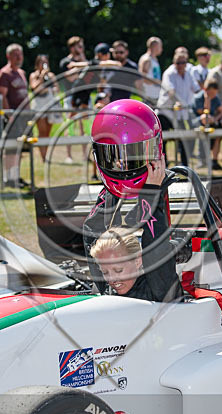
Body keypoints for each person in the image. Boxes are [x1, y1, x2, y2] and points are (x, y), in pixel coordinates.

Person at [84, 99, 182, 302]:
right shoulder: (105, 289)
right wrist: (111, 186)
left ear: (139, 261)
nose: (112, 279)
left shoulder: (159, 291)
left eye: (119, 269)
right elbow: (90, 233)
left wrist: (153, 192)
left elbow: (155, 250)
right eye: (106, 272)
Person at [156, 47, 199, 166]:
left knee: (183, 139)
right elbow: (171, 91)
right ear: (174, 63)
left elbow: (196, 89)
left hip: (180, 114)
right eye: (178, 63)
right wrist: (179, 102)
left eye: (183, 63)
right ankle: (163, 166)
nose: (181, 65)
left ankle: (185, 166)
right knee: (163, 140)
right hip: (166, 112)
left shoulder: (189, 74)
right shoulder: (169, 73)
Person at [0, 43, 30, 187]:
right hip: (12, 116)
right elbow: (2, 96)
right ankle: (8, 178)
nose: (18, 57)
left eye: (20, 54)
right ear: (8, 56)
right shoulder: (4, 73)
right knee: (10, 148)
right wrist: (8, 115)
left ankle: (16, 176)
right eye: (15, 54)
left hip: (23, 116)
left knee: (20, 148)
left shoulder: (21, 73)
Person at [58, 36, 92, 164]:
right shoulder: (65, 62)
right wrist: (81, 66)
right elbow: (71, 78)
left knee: (85, 128)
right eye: (79, 46)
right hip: (71, 97)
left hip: (85, 97)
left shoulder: (83, 62)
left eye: (82, 46)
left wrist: (82, 61)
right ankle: (69, 155)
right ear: (72, 47)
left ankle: (85, 155)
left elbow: (90, 74)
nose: (81, 49)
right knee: (70, 127)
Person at [192, 79, 222, 169]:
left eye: (214, 93)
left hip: (213, 122)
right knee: (205, 117)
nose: (213, 95)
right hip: (199, 121)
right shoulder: (198, 98)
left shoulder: (216, 98)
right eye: (211, 93)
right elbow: (203, 112)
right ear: (206, 90)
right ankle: (202, 160)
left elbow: (221, 111)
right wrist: (207, 99)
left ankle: (214, 161)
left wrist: (216, 118)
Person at [29, 54, 61, 162]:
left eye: (45, 63)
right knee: (41, 131)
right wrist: (42, 77)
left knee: (47, 133)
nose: (44, 65)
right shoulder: (34, 75)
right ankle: (43, 157)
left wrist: (50, 89)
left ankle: (45, 155)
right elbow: (34, 87)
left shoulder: (51, 75)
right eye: (41, 63)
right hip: (39, 106)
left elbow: (57, 88)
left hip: (50, 105)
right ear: (37, 64)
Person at [138, 36, 163, 103]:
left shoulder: (154, 59)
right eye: (160, 46)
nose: (161, 49)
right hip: (148, 96)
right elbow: (143, 78)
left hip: (154, 95)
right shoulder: (147, 60)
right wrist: (158, 82)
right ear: (155, 46)